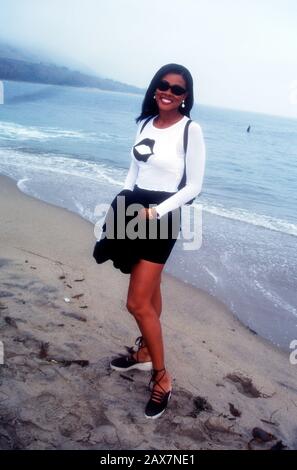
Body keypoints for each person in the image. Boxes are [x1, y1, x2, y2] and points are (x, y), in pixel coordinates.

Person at [93, 63, 206, 419]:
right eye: (164, 85)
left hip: (161, 216)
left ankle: (162, 377)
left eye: (177, 89)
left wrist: (155, 213)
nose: (169, 93)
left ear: (186, 97)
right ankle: (143, 355)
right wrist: (120, 206)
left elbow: (193, 186)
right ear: (155, 88)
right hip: (132, 207)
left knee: (136, 303)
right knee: (150, 294)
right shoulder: (143, 123)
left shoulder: (191, 129)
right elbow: (134, 170)